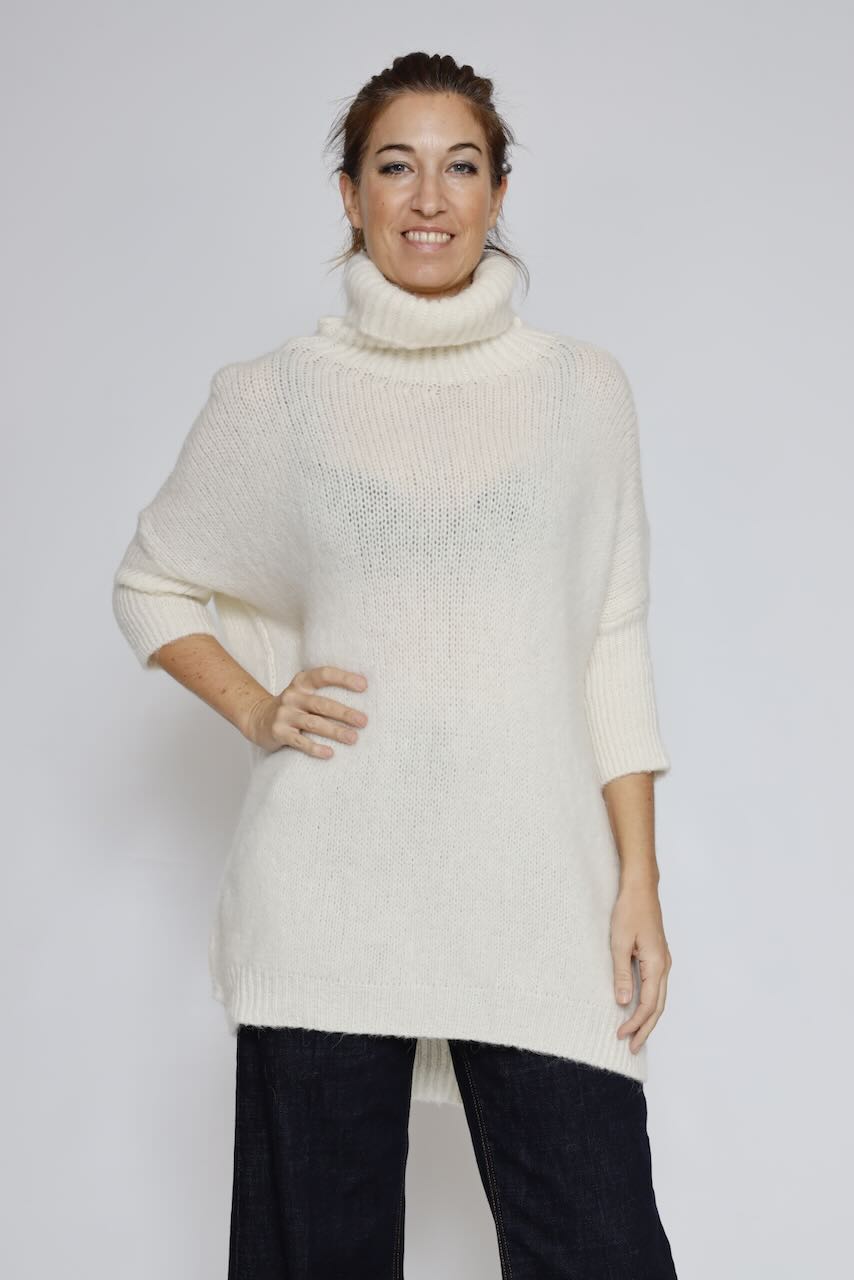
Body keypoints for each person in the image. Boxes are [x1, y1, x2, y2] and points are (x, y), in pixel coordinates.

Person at [112, 50, 678, 1280]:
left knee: (602, 1246)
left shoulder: (582, 391)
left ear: (498, 191)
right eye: (394, 167)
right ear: (349, 194)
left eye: (459, 166)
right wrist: (258, 706)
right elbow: (150, 579)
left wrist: (636, 880)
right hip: (326, 899)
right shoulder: (278, 396)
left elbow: (610, 638)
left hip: (535, 889)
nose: (428, 198)